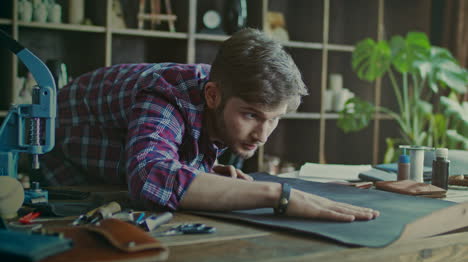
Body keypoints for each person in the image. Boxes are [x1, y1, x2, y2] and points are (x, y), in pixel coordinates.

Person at [40, 28, 379, 221]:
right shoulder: (166, 93)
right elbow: (149, 177)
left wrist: (201, 169)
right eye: (251, 115)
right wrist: (278, 193)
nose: (262, 135)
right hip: (56, 161)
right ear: (213, 95)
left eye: (273, 120)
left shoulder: (221, 91)